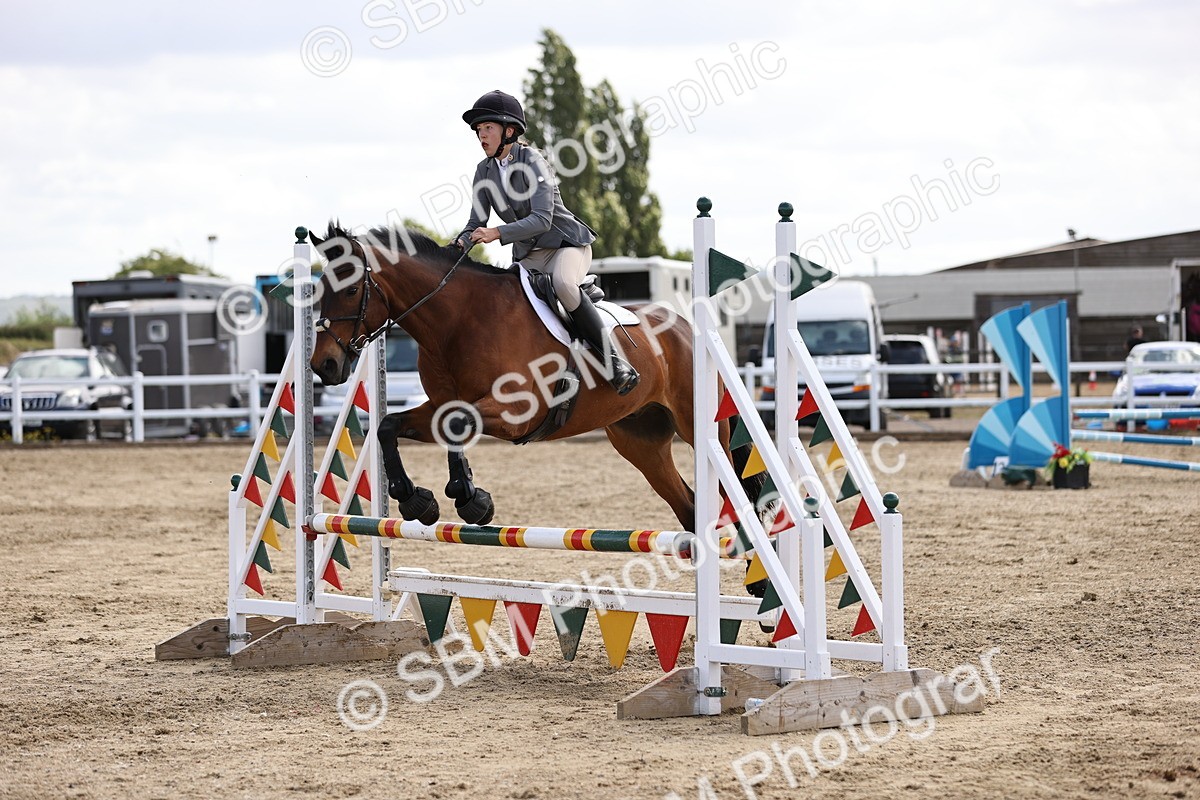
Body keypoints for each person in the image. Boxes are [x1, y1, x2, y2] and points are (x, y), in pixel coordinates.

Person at [452, 90, 639, 395]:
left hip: (566, 245)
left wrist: (497, 234)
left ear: (509, 131)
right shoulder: (483, 171)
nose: (481, 135)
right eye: (478, 130)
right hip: (530, 255)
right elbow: (475, 224)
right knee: (507, 302)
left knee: (564, 285)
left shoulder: (533, 161)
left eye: (487, 128)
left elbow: (542, 219)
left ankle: (615, 362)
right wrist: (459, 244)